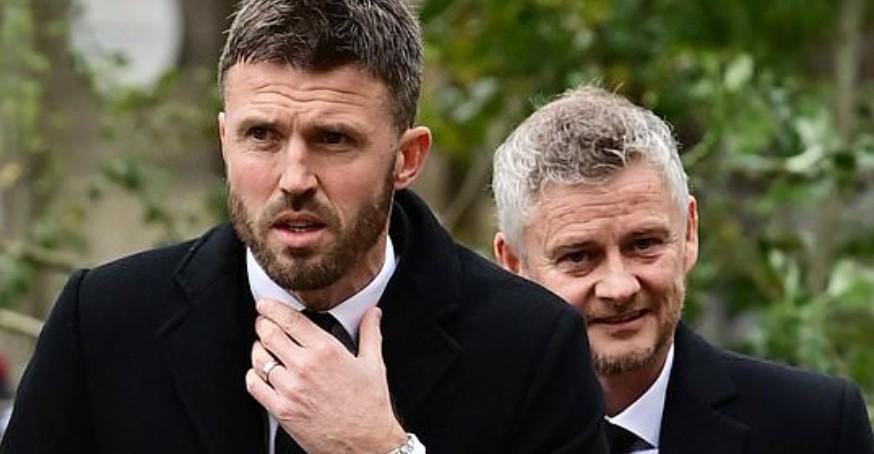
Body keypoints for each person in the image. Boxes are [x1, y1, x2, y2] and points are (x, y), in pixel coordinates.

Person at [0, 1, 609, 453]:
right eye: (261, 135)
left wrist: (381, 450)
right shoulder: (104, 320)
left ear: (407, 158)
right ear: (224, 140)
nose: (294, 178)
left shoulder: (531, 344)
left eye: (333, 139)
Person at [491, 85, 874, 454]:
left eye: (644, 244)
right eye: (579, 257)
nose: (619, 287)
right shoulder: (466, 433)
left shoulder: (816, 427)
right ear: (513, 264)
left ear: (689, 232)